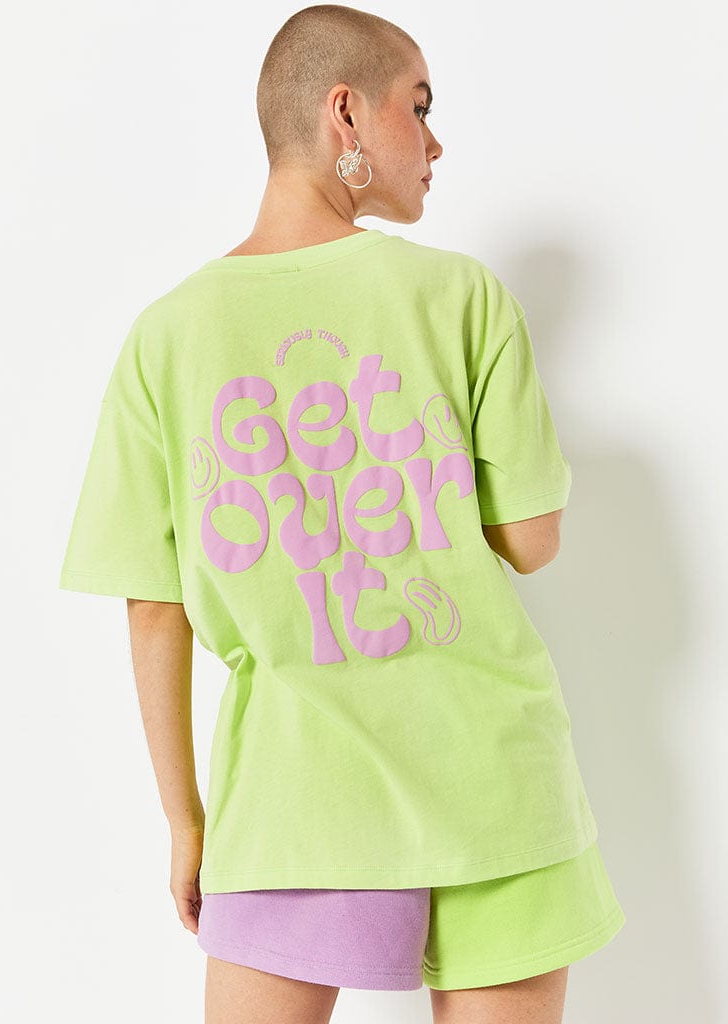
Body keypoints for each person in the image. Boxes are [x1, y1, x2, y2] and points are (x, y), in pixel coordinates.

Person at [58, 4, 626, 1022]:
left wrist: (186, 823)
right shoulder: (461, 297)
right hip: (492, 782)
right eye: (419, 106)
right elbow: (531, 543)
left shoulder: (166, 338)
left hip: (291, 800)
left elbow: (153, 607)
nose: (435, 142)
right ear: (345, 113)